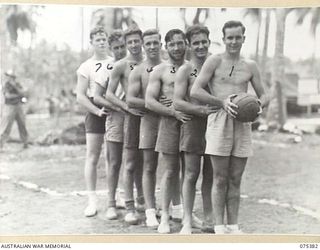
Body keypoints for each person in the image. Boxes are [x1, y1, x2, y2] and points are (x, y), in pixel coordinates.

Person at [191, 20, 268, 234]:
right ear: (223, 39)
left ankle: (233, 226)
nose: (233, 41)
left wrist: (258, 106)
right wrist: (221, 102)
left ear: (244, 38)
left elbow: (264, 93)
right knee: (220, 177)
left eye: (237, 37)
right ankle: (218, 226)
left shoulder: (250, 65)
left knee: (235, 178)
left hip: (242, 123)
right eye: (229, 38)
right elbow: (196, 90)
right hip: (219, 119)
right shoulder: (214, 61)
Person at [145, 29, 192, 234]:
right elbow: (149, 101)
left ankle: (187, 217)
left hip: (192, 123)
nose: (176, 47)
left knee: (190, 172)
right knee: (170, 171)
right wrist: (172, 112)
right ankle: (164, 216)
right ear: (166, 46)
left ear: (186, 44)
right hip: (169, 123)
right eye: (172, 44)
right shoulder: (160, 70)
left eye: (180, 43)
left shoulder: (195, 67)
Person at [174, 24, 216, 234]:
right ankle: (187, 221)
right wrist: (199, 110)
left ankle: (209, 219)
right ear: (189, 45)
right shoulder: (185, 69)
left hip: (215, 126)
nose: (200, 46)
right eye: (196, 43)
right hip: (193, 125)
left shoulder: (217, 64)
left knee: (211, 174)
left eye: (204, 42)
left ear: (209, 42)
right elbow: (177, 102)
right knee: (190, 174)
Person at [106, 26, 145, 225]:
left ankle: (145, 202)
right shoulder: (120, 65)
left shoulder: (152, 63)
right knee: (127, 162)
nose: (133, 45)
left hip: (151, 117)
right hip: (130, 117)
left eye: (136, 41)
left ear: (142, 41)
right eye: (129, 42)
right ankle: (127, 207)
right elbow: (109, 94)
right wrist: (125, 107)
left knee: (146, 163)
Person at [126, 29, 163, 228]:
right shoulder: (138, 70)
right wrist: (151, 103)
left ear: (160, 44)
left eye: (155, 43)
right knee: (149, 166)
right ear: (143, 45)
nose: (151, 47)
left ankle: (175, 208)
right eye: (147, 44)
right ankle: (150, 211)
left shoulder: (170, 67)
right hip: (149, 121)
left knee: (173, 167)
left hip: (169, 121)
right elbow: (130, 98)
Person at [76, 26, 110, 217]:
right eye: (98, 40)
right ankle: (92, 200)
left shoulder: (115, 61)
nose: (102, 42)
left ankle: (115, 197)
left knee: (114, 157)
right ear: (92, 43)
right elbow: (80, 96)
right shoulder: (86, 66)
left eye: (104, 39)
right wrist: (97, 111)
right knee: (92, 156)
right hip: (95, 109)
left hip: (113, 107)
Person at [93, 30, 127, 220]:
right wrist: (116, 106)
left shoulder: (134, 64)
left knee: (134, 162)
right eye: (116, 48)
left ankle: (136, 200)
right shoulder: (107, 67)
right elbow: (98, 96)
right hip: (115, 117)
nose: (120, 51)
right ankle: (111, 203)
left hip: (134, 117)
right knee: (114, 162)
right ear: (111, 49)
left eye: (123, 46)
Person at [0, 70, 29, 150]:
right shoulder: (6, 85)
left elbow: (23, 93)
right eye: (8, 76)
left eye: (10, 76)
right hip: (9, 107)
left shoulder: (17, 85)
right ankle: (0, 145)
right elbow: (8, 96)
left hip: (18, 106)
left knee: (22, 124)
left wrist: (17, 90)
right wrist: (19, 96)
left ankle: (25, 142)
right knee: (5, 126)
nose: (9, 78)